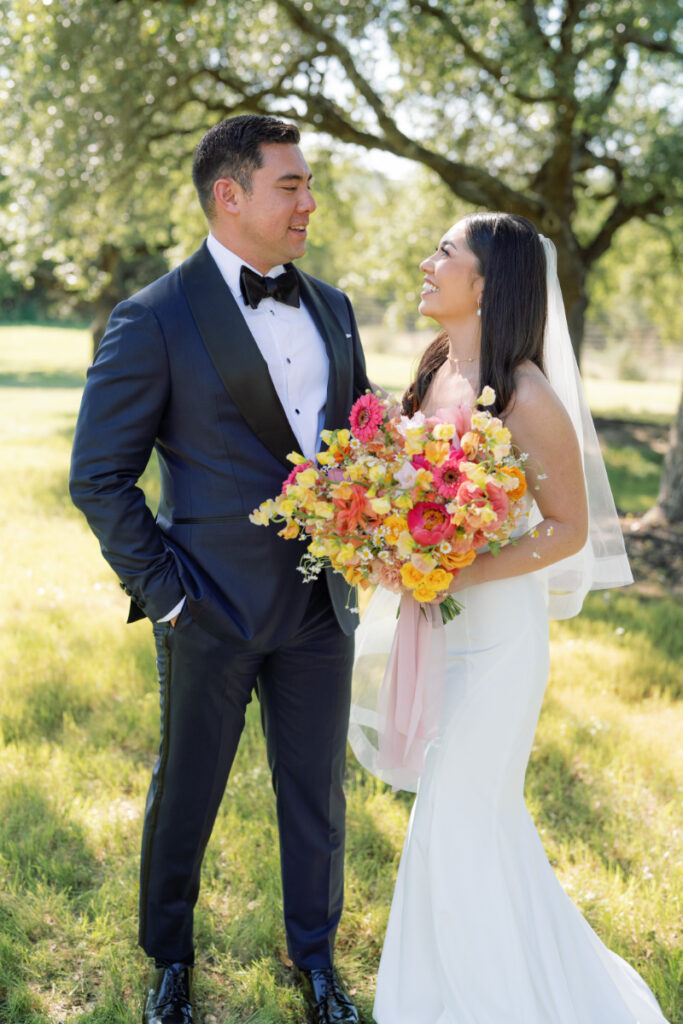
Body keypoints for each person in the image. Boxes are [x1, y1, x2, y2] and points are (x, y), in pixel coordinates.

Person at [69, 114, 369, 1024]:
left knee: (316, 795)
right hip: (207, 608)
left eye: (309, 185)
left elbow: (353, 445)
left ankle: (315, 962)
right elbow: (98, 476)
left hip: (322, 607)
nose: (309, 203)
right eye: (291, 186)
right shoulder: (153, 316)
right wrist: (168, 599)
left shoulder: (334, 307)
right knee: (187, 794)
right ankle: (169, 960)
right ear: (228, 195)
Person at [350, 213, 670, 1022]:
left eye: (443, 253)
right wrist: (382, 537)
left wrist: (452, 567)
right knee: (461, 820)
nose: (426, 264)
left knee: (459, 813)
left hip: (497, 644)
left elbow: (568, 529)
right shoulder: (434, 369)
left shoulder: (526, 394)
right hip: (439, 627)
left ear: (488, 282)